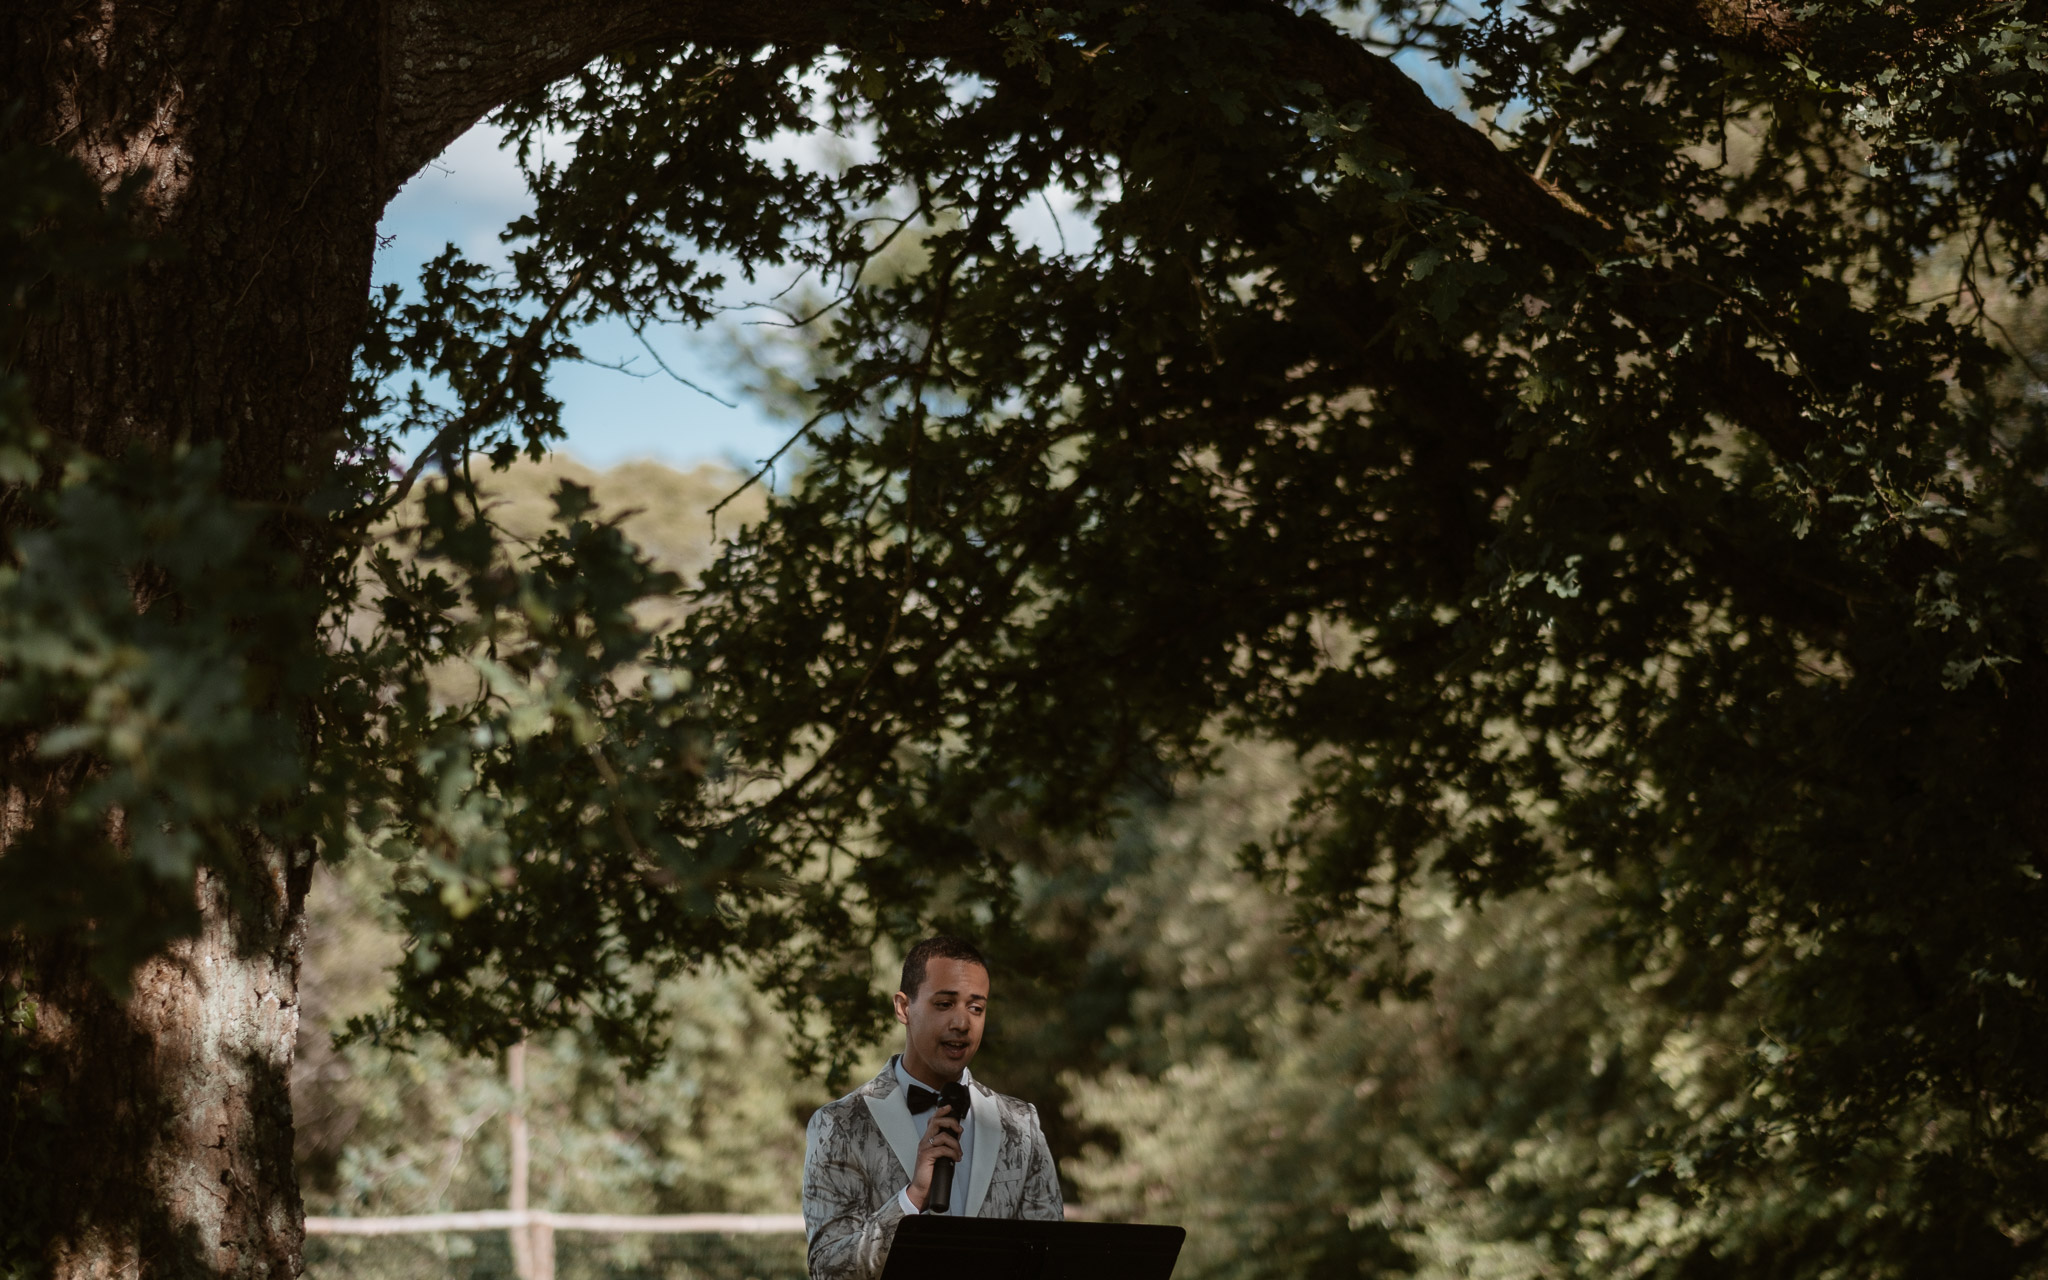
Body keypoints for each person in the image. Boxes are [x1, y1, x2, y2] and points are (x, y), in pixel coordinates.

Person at [801, 935, 1063, 1280]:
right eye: (944, 1004)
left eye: (976, 1008)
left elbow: (1052, 1260)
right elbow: (828, 1269)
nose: (962, 1023)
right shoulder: (839, 1124)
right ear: (903, 1008)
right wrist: (912, 1198)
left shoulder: (1020, 1124)